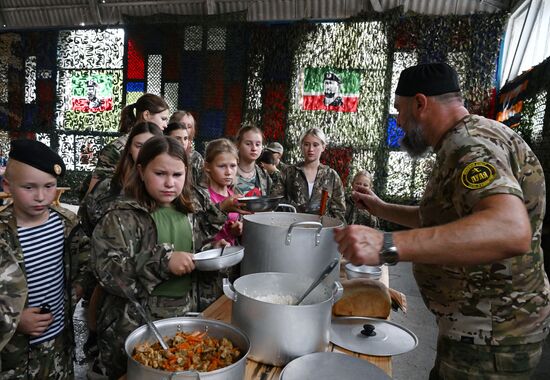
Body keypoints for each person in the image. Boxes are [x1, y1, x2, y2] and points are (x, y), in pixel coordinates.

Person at [334, 62, 550, 379]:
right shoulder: (471, 136)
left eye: (399, 110)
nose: (399, 121)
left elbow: (510, 230)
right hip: (476, 325)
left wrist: (388, 244)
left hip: (492, 333)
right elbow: (445, 219)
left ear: (420, 103)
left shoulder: (469, 145)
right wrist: (380, 208)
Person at [90, 136, 225, 378]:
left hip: (186, 321)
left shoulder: (191, 207)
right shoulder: (121, 216)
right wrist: (162, 263)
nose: (169, 183)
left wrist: (214, 250)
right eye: (160, 173)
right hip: (137, 327)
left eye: (177, 175)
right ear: (141, 171)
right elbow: (108, 273)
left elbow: (196, 247)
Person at [0, 139, 92, 379]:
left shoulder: (66, 224)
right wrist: (14, 320)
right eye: (29, 187)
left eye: (49, 186)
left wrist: (72, 295)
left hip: (58, 344)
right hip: (12, 356)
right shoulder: (2, 234)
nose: (40, 196)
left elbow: (85, 263)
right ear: (7, 185)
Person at [84, 93, 170, 197]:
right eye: (163, 119)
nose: (166, 125)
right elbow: (94, 191)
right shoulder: (116, 149)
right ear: (146, 115)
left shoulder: (162, 146)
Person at [272, 127, 345, 222]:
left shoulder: (331, 176)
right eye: (306, 144)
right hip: (293, 227)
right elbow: (275, 201)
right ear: (301, 146)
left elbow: (339, 211)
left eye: (315, 145)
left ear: (323, 147)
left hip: (322, 230)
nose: (311, 149)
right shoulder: (289, 172)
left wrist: (330, 229)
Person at [203, 138, 242, 246]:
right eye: (222, 166)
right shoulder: (202, 197)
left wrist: (238, 229)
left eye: (233, 166)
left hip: (232, 257)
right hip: (209, 258)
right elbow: (197, 230)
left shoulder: (233, 195)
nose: (228, 172)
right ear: (207, 166)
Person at [234, 125, 272, 196]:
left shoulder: (263, 175)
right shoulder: (227, 172)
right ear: (237, 145)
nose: (254, 148)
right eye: (248, 144)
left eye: (258, 144)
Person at [170, 110, 204, 184]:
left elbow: (203, 185)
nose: (185, 129)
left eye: (189, 127)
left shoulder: (196, 157)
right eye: (182, 125)